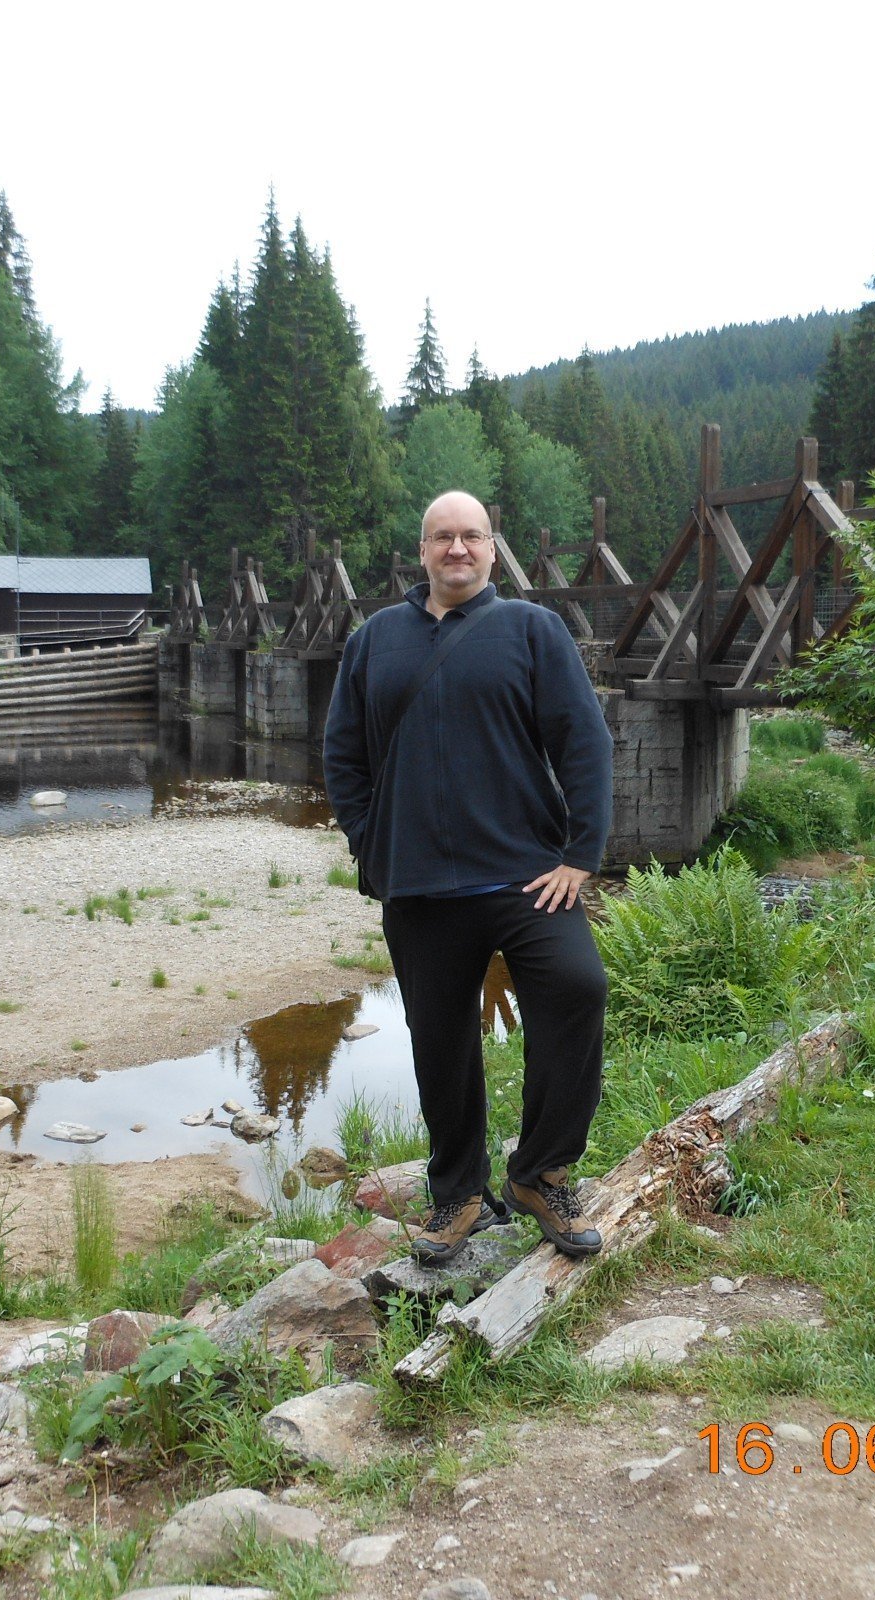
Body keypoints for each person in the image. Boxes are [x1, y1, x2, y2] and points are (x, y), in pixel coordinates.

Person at [323, 490, 613, 1265]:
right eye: (442, 537)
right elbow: (342, 754)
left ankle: (538, 1172)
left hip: (525, 876)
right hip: (417, 887)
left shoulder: (531, 629)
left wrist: (580, 854)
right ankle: (457, 1194)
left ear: (492, 549)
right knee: (441, 1042)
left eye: (472, 536)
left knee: (577, 987)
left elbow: (582, 741)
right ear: (421, 552)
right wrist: (369, 841)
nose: (457, 549)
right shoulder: (374, 641)